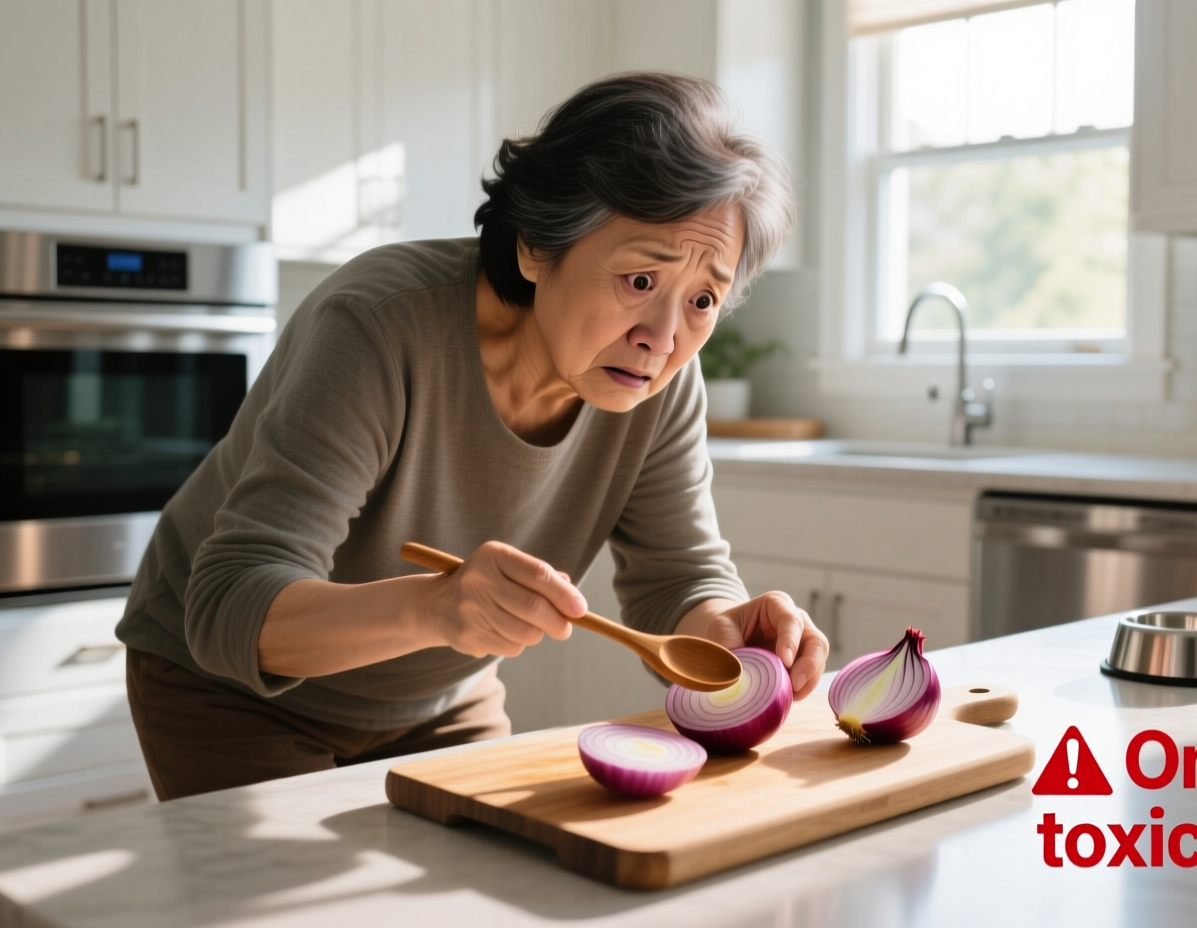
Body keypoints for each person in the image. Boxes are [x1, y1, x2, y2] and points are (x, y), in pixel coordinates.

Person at [115, 72, 826, 800]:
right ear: (536, 249)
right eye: (641, 281)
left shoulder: (662, 382)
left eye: (703, 299)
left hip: (440, 700)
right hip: (231, 696)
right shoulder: (380, 326)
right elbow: (230, 605)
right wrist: (434, 607)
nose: (663, 338)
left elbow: (677, 577)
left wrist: (720, 627)